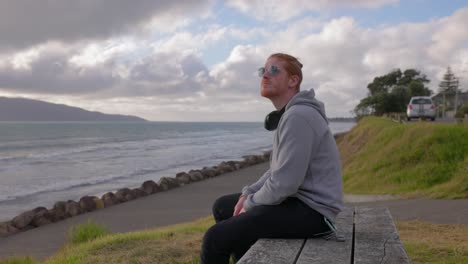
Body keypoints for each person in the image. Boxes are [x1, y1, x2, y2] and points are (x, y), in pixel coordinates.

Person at [200, 53, 343, 264]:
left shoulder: (298, 116)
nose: (265, 76)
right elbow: (277, 170)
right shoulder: (292, 114)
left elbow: (284, 184)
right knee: (223, 206)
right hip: (299, 202)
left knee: (214, 239)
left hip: (314, 214)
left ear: (293, 81)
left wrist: (250, 203)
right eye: (263, 71)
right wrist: (248, 193)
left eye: (274, 70)